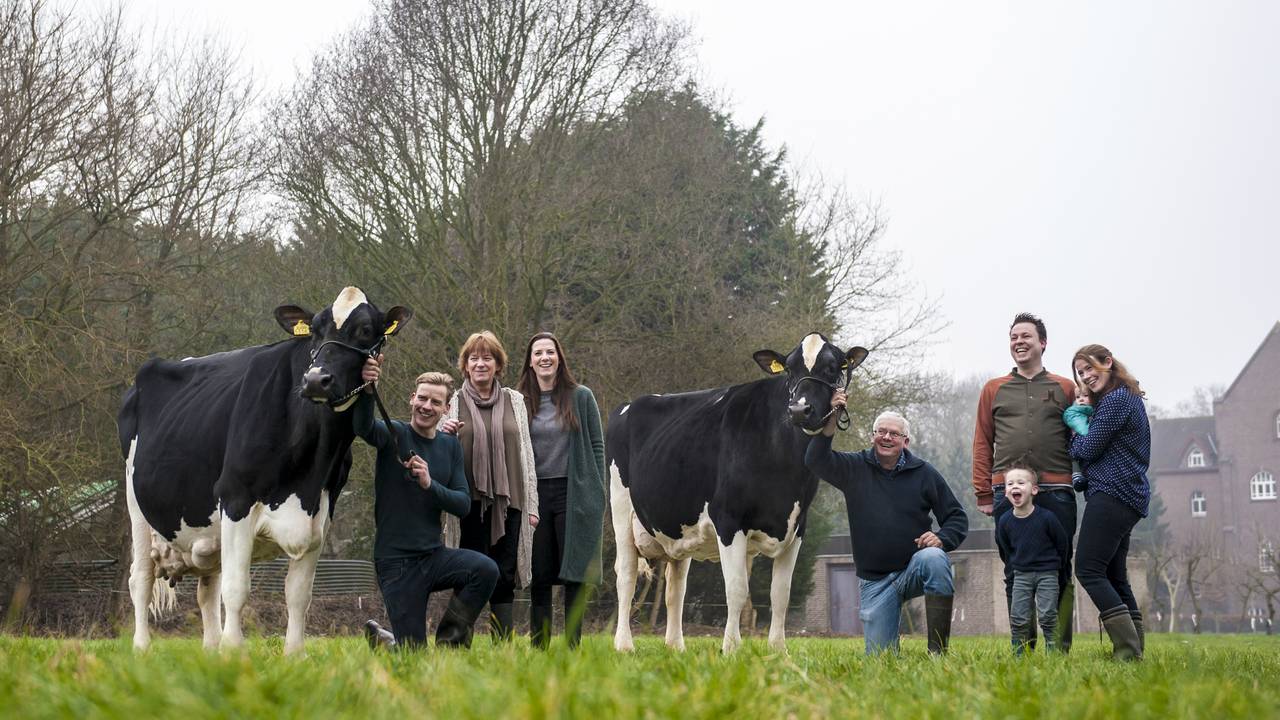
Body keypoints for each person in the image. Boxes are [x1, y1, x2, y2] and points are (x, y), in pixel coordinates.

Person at [805, 392, 968, 655]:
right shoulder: (854, 467)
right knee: (881, 661)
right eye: (881, 431)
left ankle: (938, 654)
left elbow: (957, 517)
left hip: (914, 569)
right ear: (873, 436)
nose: (887, 437)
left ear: (906, 441)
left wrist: (942, 538)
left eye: (894, 433)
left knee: (936, 558)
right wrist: (833, 416)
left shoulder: (924, 473)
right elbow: (815, 460)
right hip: (875, 582)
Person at [354, 361, 498, 650]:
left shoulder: (449, 446)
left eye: (435, 401)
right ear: (412, 398)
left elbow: (462, 503)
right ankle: (387, 641)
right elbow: (363, 427)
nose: (426, 406)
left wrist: (430, 485)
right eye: (422, 398)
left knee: (484, 569)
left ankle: (450, 644)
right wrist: (369, 391)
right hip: (396, 565)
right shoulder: (394, 434)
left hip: (433, 557)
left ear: (446, 409)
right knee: (413, 656)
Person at [972, 312, 1078, 651]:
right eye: (1014, 337)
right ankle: (1023, 646)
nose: (1019, 341)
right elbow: (982, 441)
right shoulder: (994, 389)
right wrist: (983, 491)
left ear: (1042, 343)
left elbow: (1081, 435)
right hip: (1008, 491)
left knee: (1060, 569)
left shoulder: (1065, 387)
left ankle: (1058, 647)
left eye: (1026, 336)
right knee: (1015, 571)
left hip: (1057, 491)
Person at [439, 330, 538, 641]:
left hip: (511, 503)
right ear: (465, 365)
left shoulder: (515, 401)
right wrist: (445, 432)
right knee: (467, 572)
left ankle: (503, 643)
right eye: (473, 358)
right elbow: (438, 452)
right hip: (468, 504)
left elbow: (526, 454)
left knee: (504, 574)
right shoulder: (452, 402)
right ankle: (457, 640)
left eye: (487, 358)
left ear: (498, 364)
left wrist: (533, 504)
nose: (480, 363)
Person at [516, 331, 606, 649]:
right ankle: (539, 646)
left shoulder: (581, 397)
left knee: (575, 573)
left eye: (550, 352)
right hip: (535, 496)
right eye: (538, 352)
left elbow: (597, 446)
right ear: (530, 361)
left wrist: (597, 493)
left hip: (574, 493)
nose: (544, 357)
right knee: (539, 574)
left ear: (559, 358)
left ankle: (572, 646)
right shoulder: (519, 401)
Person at [1068, 344, 1151, 661]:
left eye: (1090, 368)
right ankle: (1135, 651)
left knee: (1088, 568)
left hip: (1113, 492)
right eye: (1080, 372)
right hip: (1125, 494)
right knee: (1115, 574)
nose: (1086, 376)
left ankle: (1127, 651)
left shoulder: (1117, 400)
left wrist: (1076, 428)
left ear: (1108, 363)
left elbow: (1086, 449)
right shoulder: (1124, 398)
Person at [995, 464, 1070, 654]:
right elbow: (1005, 548)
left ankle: (1054, 653)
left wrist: (1057, 567)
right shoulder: (1005, 521)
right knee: (1018, 617)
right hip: (1021, 575)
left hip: (1048, 574)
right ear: (1005, 492)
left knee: (1047, 615)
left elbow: (1062, 544)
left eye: (1021, 482)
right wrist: (1015, 565)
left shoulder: (1047, 518)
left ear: (1034, 490)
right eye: (1010, 483)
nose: (1015, 486)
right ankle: (1018, 653)